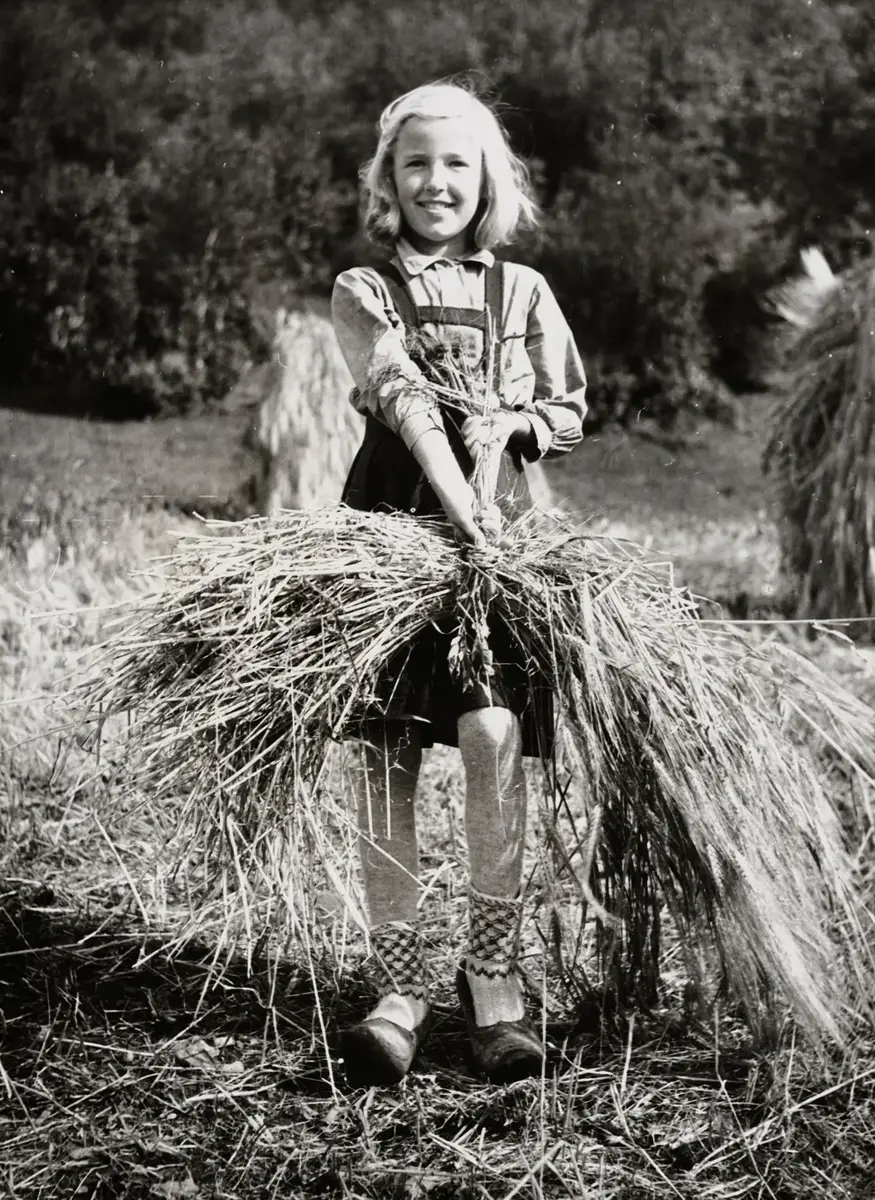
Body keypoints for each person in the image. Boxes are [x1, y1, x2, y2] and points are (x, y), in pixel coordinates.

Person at [330, 81, 587, 1087]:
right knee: (387, 751)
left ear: (486, 179)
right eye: (415, 163)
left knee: (491, 735)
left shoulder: (518, 291)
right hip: (392, 542)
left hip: (500, 552)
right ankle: (396, 988)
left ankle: (493, 980)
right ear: (387, 180)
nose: (435, 181)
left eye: (455, 164)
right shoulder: (364, 289)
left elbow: (566, 408)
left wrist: (515, 430)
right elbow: (399, 402)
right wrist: (456, 495)